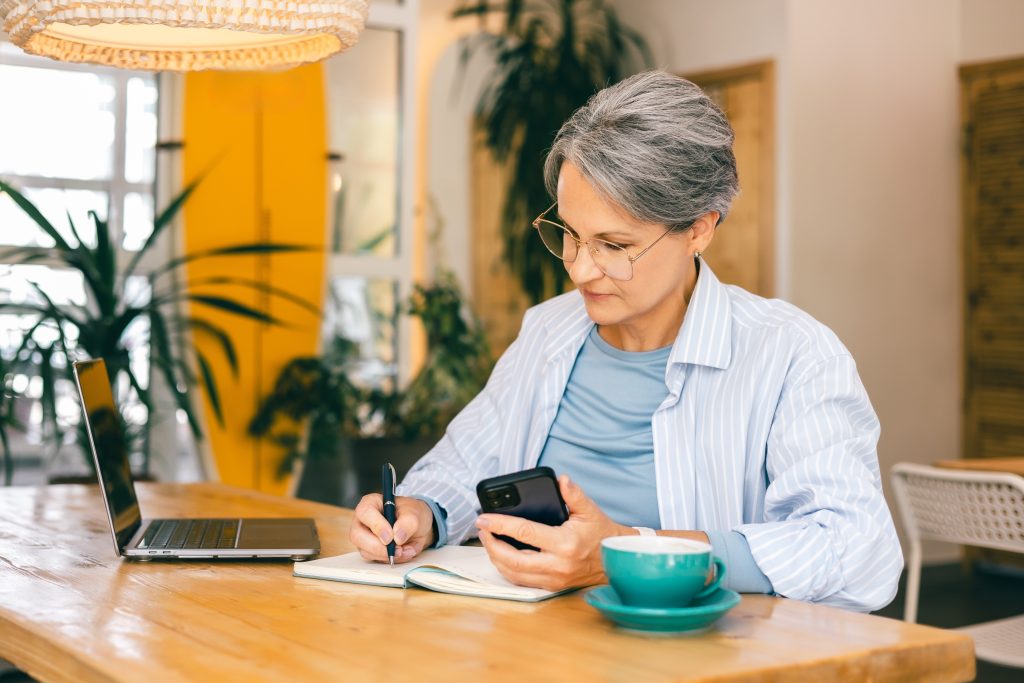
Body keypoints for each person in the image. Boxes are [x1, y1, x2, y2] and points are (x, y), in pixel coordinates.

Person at [349, 70, 903, 612]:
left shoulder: (792, 354)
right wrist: (421, 512)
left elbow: (857, 551)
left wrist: (629, 553)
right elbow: (462, 464)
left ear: (700, 228)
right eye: (569, 235)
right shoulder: (549, 331)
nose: (581, 271)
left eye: (614, 245)